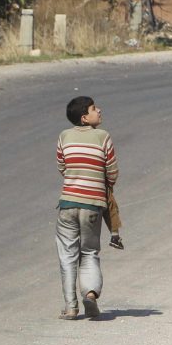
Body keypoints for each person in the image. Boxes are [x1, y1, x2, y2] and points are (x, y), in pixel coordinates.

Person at [55, 96, 119, 320]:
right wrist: (101, 187)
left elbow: (62, 166)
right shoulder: (103, 137)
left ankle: (71, 307)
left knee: (67, 256)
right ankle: (90, 294)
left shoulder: (64, 136)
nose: (99, 110)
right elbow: (112, 172)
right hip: (93, 205)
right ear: (85, 117)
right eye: (94, 108)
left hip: (67, 204)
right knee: (89, 252)